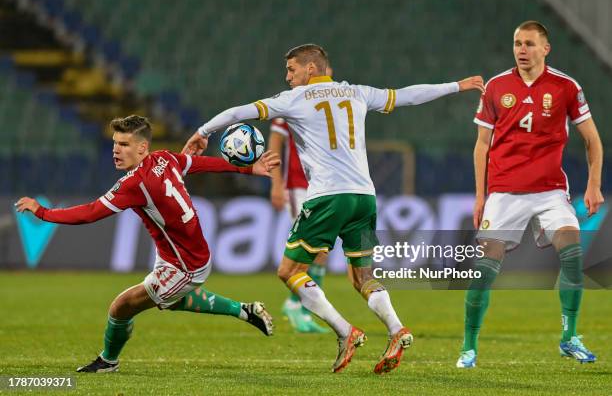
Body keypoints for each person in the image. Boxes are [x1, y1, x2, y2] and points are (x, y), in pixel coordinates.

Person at [182, 44, 484, 374]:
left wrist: (203, 131)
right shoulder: (357, 92)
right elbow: (408, 96)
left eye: (292, 70)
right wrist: (457, 86)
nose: (288, 77)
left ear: (311, 68)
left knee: (289, 271)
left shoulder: (293, 100)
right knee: (363, 278)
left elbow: (239, 112)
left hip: (327, 196)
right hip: (364, 197)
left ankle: (345, 331)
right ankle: (397, 329)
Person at [15, 115, 279, 373]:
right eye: (115, 144)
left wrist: (41, 212)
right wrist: (247, 168)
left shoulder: (134, 184)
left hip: (183, 266)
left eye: (124, 144)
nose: (116, 150)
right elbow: (198, 163)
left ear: (142, 147)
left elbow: (90, 213)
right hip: (178, 256)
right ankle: (245, 310)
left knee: (120, 307)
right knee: (172, 300)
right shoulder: (164, 158)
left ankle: (108, 361)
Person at [457, 21, 604, 368]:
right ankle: (469, 347)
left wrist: (593, 184)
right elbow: (482, 145)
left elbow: (593, 140)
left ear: (545, 49)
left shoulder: (566, 87)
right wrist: (481, 196)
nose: (522, 50)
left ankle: (569, 338)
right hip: (504, 193)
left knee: (572, 255)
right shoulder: (496, 87)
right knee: (485, 270)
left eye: (529, 44)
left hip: (550, 192)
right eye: (517, 44)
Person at [269, 117, 328, 334]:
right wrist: (276, 184)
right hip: (297, 187)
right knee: (313, 249)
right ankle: (297, 306)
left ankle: (299, 306)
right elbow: (274, 146)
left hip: (323, 185)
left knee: (322, 251)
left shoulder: (324, 102)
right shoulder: (287, 107)